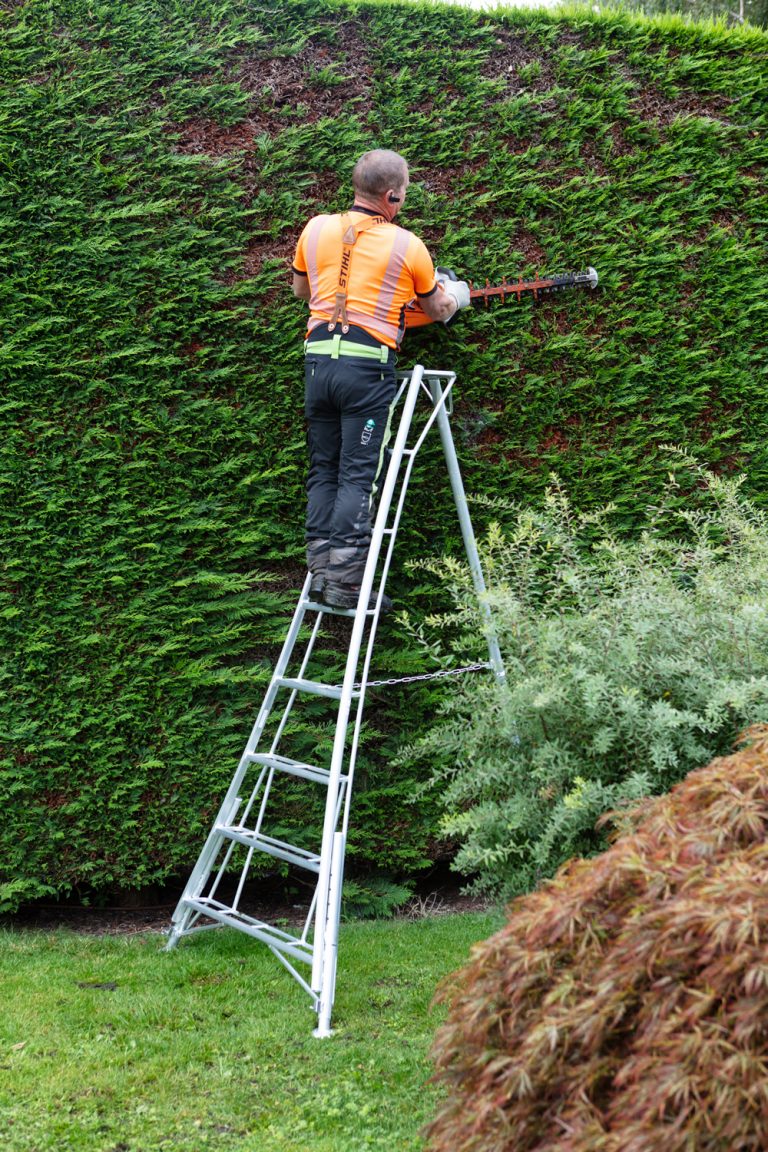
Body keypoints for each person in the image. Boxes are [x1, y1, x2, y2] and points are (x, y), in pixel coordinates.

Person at [291, 148, 470, 611]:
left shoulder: (315, 228)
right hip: (365, 370)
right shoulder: (408, 245)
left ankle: (319, 574)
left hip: (318, 364)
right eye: (404, 192)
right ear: (392, 194)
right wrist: (456, 294)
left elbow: (302, 290)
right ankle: (348, 585)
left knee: (323, 469)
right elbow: (435, 309)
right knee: (356, 475)